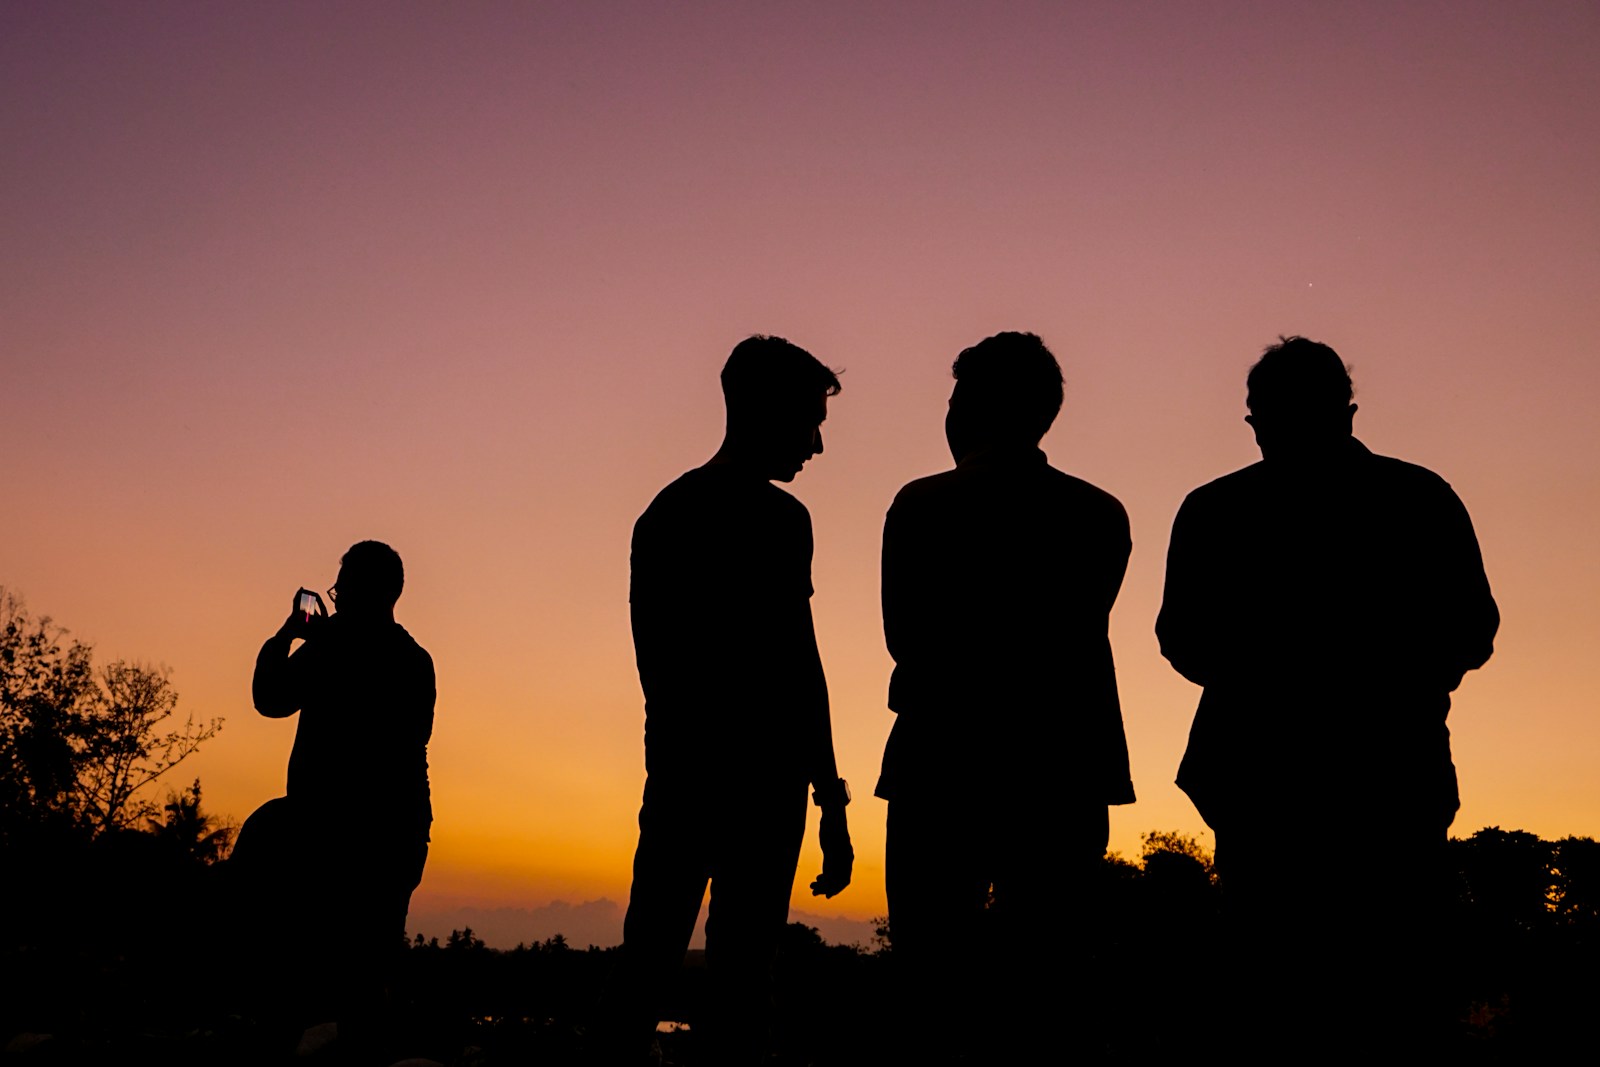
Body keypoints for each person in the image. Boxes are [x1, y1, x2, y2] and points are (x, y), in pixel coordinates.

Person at [1156, 336, 1498, 1051]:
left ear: (1256, 420)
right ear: (1347, 410)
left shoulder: (1215, 510)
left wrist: (1269, 677)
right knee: (1390, 994)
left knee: (1275, 994)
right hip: (1389, 775)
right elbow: (1473, 629)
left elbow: (1182, 639)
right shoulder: (1420, 498)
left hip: (1265, 783)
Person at [875, 331, 1135, 1061]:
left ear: (970, 409)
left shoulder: (923, 505)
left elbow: (906, 637)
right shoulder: (1101, 514)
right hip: (1063, 767)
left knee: (931, 979)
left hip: (943, 763)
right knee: (1049, 984)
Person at [606, 335, 854, 1066]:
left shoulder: (693, 515)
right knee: (689, 969)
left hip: (720, 781)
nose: (814, 445)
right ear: (762, 412)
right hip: (717, 782)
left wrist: (828, 795)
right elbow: (780, 665)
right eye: (809, 423)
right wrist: (823, 793)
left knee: (688, 967)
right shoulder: (712, 520)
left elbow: (796, 663)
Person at [240, 539, 435, 1059]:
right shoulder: (416, 661)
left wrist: (290, 634)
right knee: (368, 972)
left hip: (327, 839)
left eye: (342, 586)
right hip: (398, 836)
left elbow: (269, 698)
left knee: (298, 969)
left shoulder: (331, 649)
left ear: (359, 591)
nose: (337, 596)